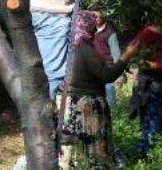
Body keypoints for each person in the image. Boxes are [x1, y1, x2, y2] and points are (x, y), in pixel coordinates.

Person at [58, 10, 140, 169]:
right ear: (88, 28)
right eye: (93, 28)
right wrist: (127, 55)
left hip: (67, 102)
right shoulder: (84, 49)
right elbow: (107, 75)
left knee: (73, 146)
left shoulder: (65, 47)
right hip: (86, 105)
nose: (95, 31)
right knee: (93, 149)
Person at [129, 14, 162, 158]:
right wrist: (160, 66)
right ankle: (147, 157)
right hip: (151, 85)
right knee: (152, 123)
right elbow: (134, 58)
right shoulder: (147, 34)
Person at [92, 10, 121, 108]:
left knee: (109, 92)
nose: (95, 19)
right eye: (93, 17)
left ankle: (113, 111)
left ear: (103, 17)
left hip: (108, 67)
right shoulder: (92, 32)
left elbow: (116, 53)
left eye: (97, 17)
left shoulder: (110, 33)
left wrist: (119, 72)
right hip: (96, 67)